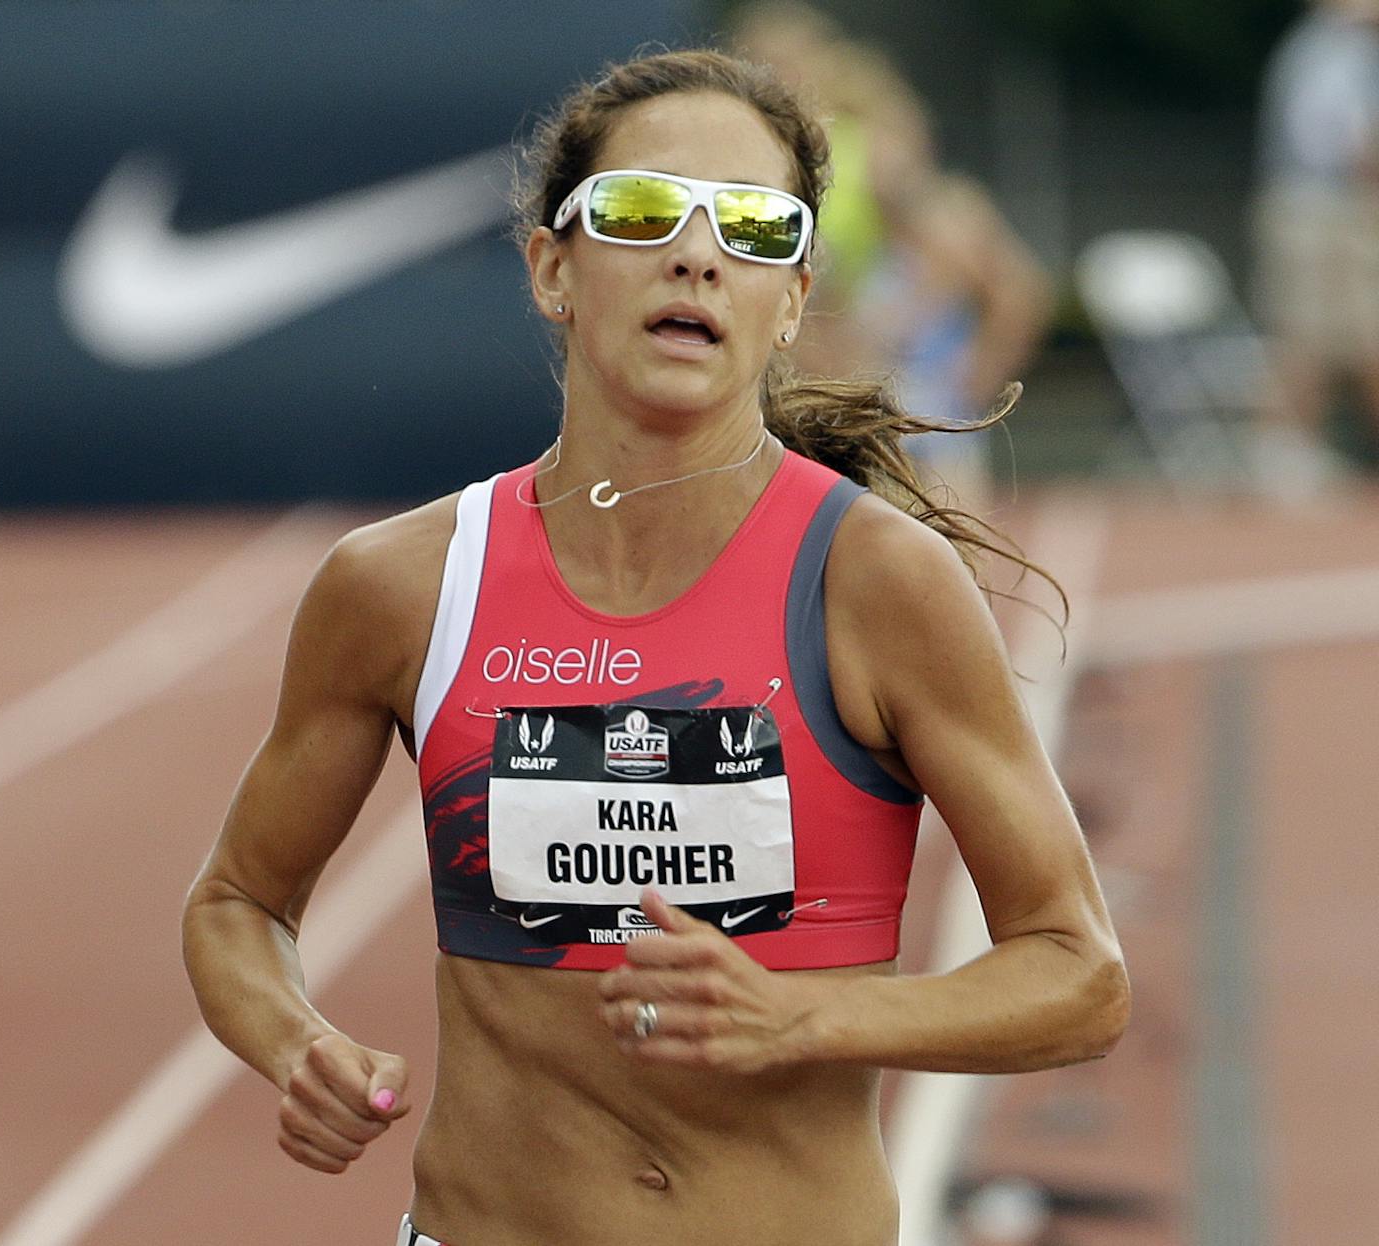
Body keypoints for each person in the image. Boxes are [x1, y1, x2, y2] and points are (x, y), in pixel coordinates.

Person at [182, 49, 1129, 1246]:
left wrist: (805, 1020)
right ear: (550, 269)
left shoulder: (875, 583)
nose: (696, 252)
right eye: (639, 211)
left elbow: (1077, 973)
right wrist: (294, 1041)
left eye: (751, 224)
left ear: (788, 298)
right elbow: (235, 900)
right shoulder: (401, 586)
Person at [731, 4, 1055, 508]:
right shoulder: (752, 176)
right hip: (810, 407)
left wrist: (969, 381)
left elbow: (1007, 284)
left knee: (939, 542)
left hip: (900, 412)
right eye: (765, 67)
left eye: (790, 66)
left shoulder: (897, 180)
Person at [1251, 0, 1379, 487]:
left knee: (1354, 339)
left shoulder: (1336, 49)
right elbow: (1339, 143)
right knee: (1304, 337)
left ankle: (1286, 450)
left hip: (1328, 209)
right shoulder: (1329, 50)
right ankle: (1280, 451)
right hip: (1318, 211)